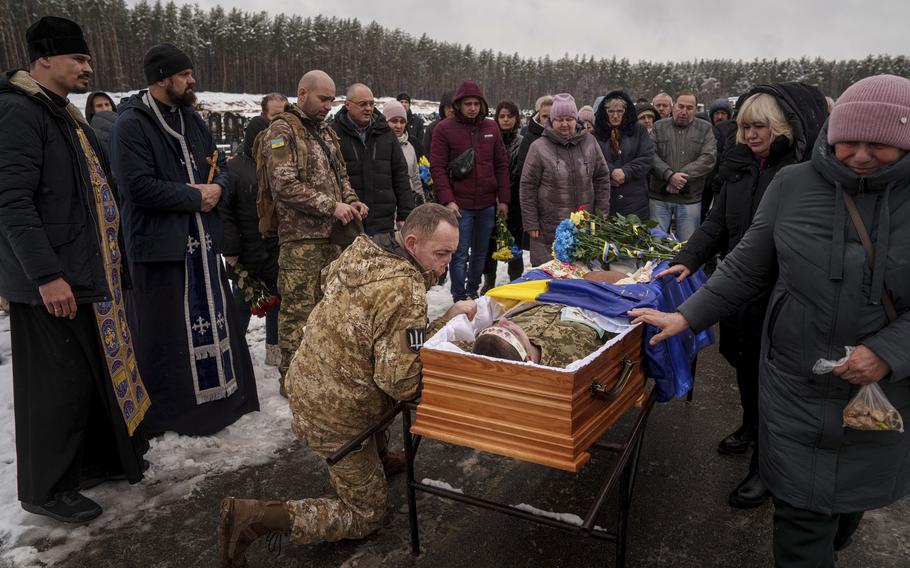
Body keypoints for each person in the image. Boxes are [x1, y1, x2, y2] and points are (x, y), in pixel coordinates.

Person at [630, 74, 910, 568]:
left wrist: (890, 352)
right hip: (795, 380)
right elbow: (744, 265)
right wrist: (686, 315)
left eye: (880, 144)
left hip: (881, 394)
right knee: (802, 524)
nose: (861, 155)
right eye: (850, 141)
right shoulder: (795, 184)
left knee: (845, 509)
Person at [217, 204, 477, 566]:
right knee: (367, 514)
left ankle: (378, 456)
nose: (447, 263)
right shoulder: (404, 288)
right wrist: (455, 346)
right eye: (441, 253)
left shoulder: (368, 251)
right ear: (413, 242)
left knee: (378, 385)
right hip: (336, 413)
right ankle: (254, 518)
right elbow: (400, 381)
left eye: (452, 253)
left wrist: (444, 319)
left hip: (310, 384)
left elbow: (384, 342)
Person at [0, 16, 149, 523]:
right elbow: (12, 202)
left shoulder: (60, 112)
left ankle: (91, 464)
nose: (89, 67)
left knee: (86, 379)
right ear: (44, 59)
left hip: (83, 273)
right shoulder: (20, 113)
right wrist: (46, 275)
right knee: (55, 387)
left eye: (88, 59)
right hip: (51, 280)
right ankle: (46, 488)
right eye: (78, 59)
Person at [659, 83, 828, 509]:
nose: (751, 134)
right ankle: (751, 425)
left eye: (760, 126)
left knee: (771, 379)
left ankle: (767, 468)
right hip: (739, 286)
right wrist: (688, 258)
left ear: (783, 126)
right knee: (744, 366)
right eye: (745, 126)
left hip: (780, 292)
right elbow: (716, 224)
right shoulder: (737, 166)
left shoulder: (799, 173)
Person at [111, 44, 259, 435]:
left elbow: (220, 166)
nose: (193, 80)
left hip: (204, 246)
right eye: (185, 74)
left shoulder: (192, 119)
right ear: (162, 77)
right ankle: (178, 416)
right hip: (163, 251)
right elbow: (136, 187)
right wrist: (196, 196)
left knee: (218, 322)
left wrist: (217, 190)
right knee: (168, 335)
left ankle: (226, 402)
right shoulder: (131, 124)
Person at [259, 70, 368, 385]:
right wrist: (331, 206)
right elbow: (284, 185)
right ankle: (292, 381)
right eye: (323, 98)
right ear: (302, 93)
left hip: (333, 238)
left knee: (328, 311)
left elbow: (340, 177)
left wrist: (351, 200)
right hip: (301, 242)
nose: (328, 106)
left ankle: (319, 376)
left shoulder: (327, 133)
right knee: (297, 314)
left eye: (332, 100)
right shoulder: (280, 132)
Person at [429, 80, 510, 301]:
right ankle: (459, 296)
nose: (472, 108)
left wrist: (503, 199)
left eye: (476, 103)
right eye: (468, 104)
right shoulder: (444, 129)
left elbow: (501, 164)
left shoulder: (491, 127)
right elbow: (437, 168)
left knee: (481, 253)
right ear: (458, 105)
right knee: (459, 253)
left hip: (486, 203)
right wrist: (448, 200)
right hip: (459, 205)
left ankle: (472, 289)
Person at [520, 93, 611, 266]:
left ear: (575, 120)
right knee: (551, 279)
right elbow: (527, 186)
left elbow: (602, 178)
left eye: (569, 119)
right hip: (549, 230)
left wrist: (601, 215)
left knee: (582, 276)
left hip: (584, 226)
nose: (564, 124)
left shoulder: (590, 143)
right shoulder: (539, 147)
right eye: (559, 119)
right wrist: (531, 221)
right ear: (552, 121)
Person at [219, 116, 281, 366]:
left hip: (273, 245)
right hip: (245, 247)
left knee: (276, 298)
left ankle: (273, 346)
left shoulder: (276, 165)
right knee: (243, 300)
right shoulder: (234, 169)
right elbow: (224, 213)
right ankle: (234, 346)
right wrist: (231, 250)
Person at [332, 83, 413, 235]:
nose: (368, 108)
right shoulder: (333, 134)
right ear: (347, 105)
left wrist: (405, 213)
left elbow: (400, 175)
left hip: (382, 222)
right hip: (348, 223)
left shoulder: (385, 134)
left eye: (371, 104)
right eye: (363, 104)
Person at [649, 91, 716, 241]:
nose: (684, 111)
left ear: (695, 110)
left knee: (687, 246)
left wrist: (679, 178)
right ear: (673, 107)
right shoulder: (658, 127)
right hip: (659, 198)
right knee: (654, 246)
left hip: (690, 199)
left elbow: (708, 158)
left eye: (689, 108)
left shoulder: (705, 129)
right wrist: (669, 175)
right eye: (681, 106)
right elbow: (650, 155)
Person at [470, 303, 613, 368]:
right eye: (510, 329)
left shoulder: (485, 347)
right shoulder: (571, 360)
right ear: (530, 358)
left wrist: (452, 312)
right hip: (600, 307)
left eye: (495, 325)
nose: (503, 320)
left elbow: (449, 345)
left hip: (552, 296)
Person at [481, 101, 525, 292]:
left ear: (516, 118)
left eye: (510, 116)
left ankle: (515, 281)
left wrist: (508, 196)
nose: (506, 120)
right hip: (490, 199)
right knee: (489, 245)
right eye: (502, 116)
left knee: (513, 244)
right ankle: (488, 282)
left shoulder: (522, 142)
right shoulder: (489, 139)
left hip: (515, 202)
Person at [593, 90, 655, 221]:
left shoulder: (639, 131)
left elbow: (646, 157)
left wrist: (625, 172)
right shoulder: (595, 134)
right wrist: (611, 172)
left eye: (620, 111)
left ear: (626, 112)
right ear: (604, 113)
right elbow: (592, 159)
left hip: (635, 201)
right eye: (611, 111)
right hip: (606, 199)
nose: (615, 116)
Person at [383, 100, 427, 204]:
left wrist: (421, 201)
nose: (398, 126)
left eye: (402, 122)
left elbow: (415, 178)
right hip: (385, 205)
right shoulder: (377, 145)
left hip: (407, 203)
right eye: (394, 121)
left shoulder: (410, 147)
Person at [84, 91, 117, 160]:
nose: (105, 109)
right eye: (99, 106)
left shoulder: (124, 123)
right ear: (92, 110)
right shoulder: (86, 132)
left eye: (107, 104)